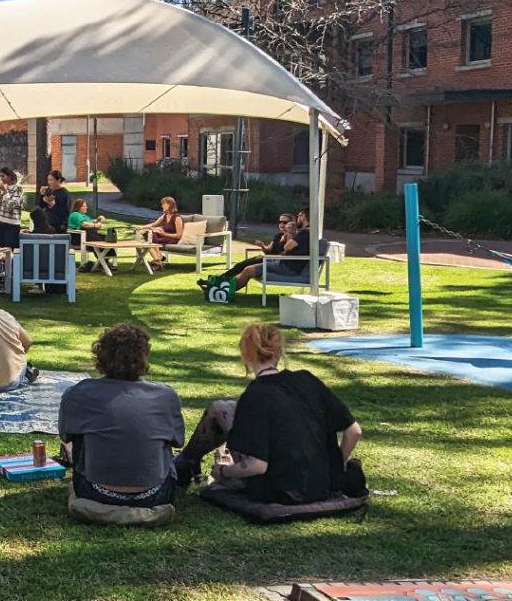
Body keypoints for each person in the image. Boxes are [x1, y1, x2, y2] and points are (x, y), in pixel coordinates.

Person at [180, 324, 364, 505]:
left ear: (246, 355)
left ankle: (184, 464)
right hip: (321, 485)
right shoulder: (306, 380)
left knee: (221, 409)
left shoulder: (255, 395)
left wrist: (223, 472)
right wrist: (335, 467)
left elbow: (258, 466)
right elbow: (354, 431)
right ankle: (186, 462)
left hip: (279, 491)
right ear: (279, 352)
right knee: (226, 408)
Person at [56, 323, 186, 526]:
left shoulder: (78, 393)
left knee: (78, 438)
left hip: (96, 492)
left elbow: (66, 436)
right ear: (143, 357)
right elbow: (177, 440)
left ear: (100, 357)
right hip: (155, 494)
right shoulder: (166, 396)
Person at [221, 214, 307, 292]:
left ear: (292, 223)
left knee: (246, 266)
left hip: (272, 261)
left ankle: (224, 285)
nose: (281, 224)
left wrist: (288, 236)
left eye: (284, 222)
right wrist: (262, 246)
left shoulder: (294, 239)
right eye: (280, 222)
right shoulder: (278, 236)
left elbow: (285, 253)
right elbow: (268, 250)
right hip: (268, 259)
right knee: (240, 265)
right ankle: (222, 280)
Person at [136, 196, 185, 264]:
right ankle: (159, 259)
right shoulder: (164, 216)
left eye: (163, 204)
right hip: (164, 237)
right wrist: (142, 227)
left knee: (149, 242)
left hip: (172, 238)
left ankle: (158, 260)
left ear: (170, 205)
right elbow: (153, 224)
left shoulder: (177, 218)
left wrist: (164, 234)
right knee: (148, 236)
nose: (162, 206)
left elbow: (179, 235)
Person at [0, 168, 23, 248]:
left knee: (9, 248)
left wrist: (5, 192)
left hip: (11, 224)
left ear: (10, 176)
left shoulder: (18, 189)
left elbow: (11, 205)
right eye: (0, 176)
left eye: (3, 176)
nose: (1, 178)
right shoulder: (1, 187)